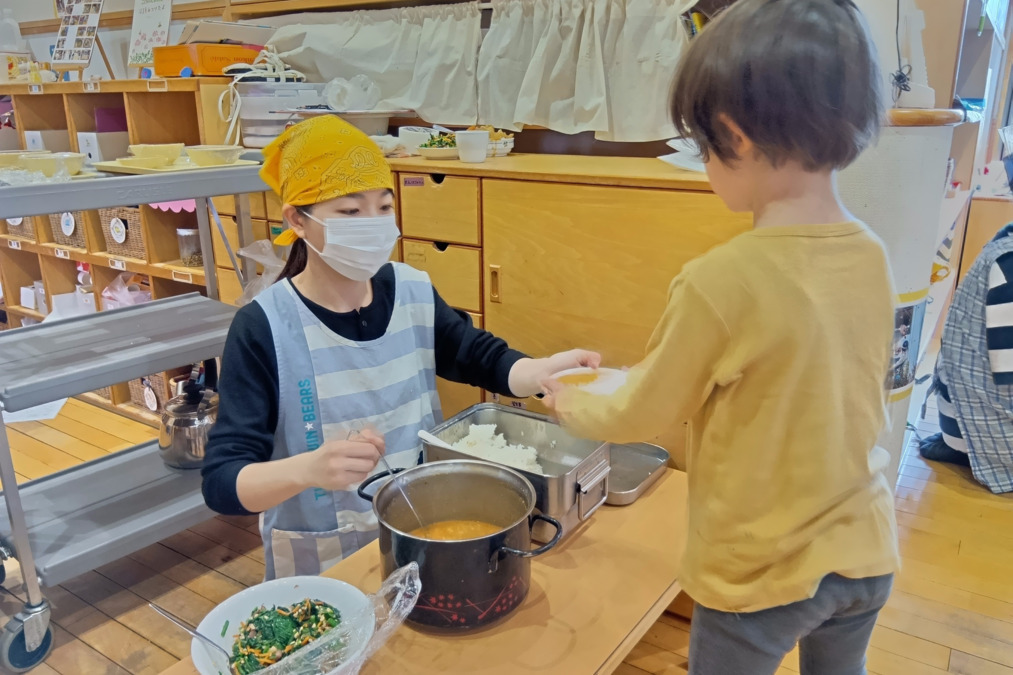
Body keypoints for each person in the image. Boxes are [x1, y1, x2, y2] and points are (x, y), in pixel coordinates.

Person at [542, 1, 899, 673]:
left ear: (732, 137)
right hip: (863, 545)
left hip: (758, 574)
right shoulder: (872, 253)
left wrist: (571, 401)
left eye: (701, 147)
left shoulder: (720, 279)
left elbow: (640, 410)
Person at [202, 115, 598, 580]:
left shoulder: (410, 289)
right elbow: (223, 484)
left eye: (384, 207)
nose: (372, 225)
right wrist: (308, 469)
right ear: (298, 220)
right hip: (327, 564)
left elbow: (476, 355)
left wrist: (540, 371)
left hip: (427, 537)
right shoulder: (264, 326)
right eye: (350, 212)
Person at [919, 224, 1013, 493]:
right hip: (979, 427)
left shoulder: (1003, 247)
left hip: (965, 413)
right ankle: (965, 448)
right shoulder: (1008, 262)